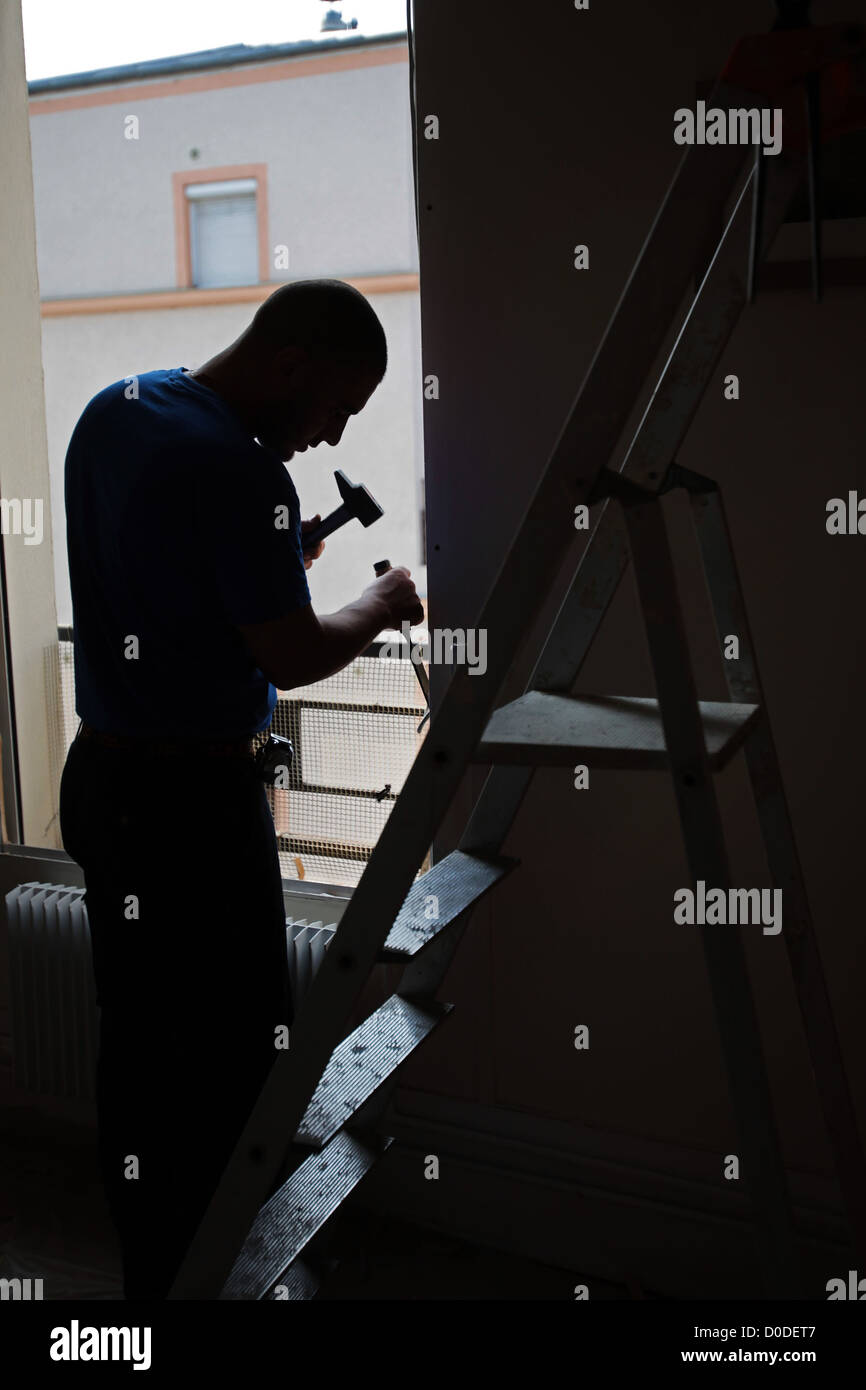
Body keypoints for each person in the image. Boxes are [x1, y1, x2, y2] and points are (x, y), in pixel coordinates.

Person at [58, 278, 423, 1300]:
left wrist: (275, 552)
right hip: (189, 810)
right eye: (336, 407)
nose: (331, 432)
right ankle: (224, 1271)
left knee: (142, 1048)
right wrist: (378, 599)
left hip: (110, 779)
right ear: (292, 368)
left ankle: (160, 1276)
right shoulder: (239, 468)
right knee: (230, 1060)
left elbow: (161, 571)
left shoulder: (120, 407)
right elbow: (298, 652)